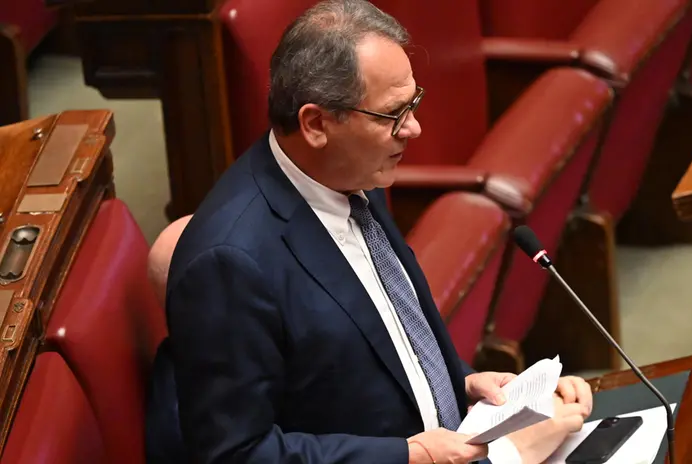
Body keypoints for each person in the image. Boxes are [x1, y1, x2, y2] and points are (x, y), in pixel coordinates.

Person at [144, 1, 593, 462]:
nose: (414, 129)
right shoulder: (230, 262)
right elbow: (236, 453)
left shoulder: (350, 171)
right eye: (393, 114)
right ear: (316, 123)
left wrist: (460, 384)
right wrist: (415, 456)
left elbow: (372, 344)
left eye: (413, 103)